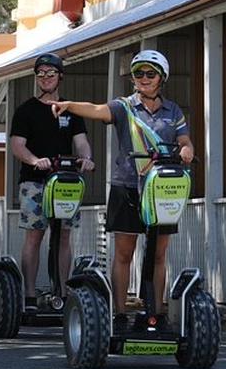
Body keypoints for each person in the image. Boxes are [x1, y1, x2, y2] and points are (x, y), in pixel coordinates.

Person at [51, 49, 195, 333]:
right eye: (138, 73)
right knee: (123, 254)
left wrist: (187, 150)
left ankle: (155, 313)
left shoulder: (173, 111)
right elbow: (96, 110)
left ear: (161, 78)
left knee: (158, 254)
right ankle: (119, 313)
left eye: (149, 73)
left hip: (160, 190)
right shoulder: (124, 106)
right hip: (127, 186)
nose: (143, 78)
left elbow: (185, 140)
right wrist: (69, 105)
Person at [10, 53, 94, 309]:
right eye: (41, 74)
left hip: (65, 182)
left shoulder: (69, 110)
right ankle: (30, 294)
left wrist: (87, 159)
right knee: (35, 236)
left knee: (64, 236)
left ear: (60, 76)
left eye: (51, 73)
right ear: (36, 78)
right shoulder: (26, 110)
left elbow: (81, 143)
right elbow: (17, 146)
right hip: (35, 182)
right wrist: (35, 160)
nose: (46, 78)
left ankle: (62, 294)